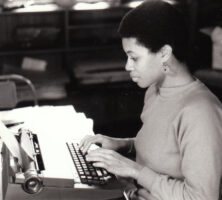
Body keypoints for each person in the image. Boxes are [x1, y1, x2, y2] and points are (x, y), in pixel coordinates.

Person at [79, 0, 222, 199]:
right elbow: (165, 150)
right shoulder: (155, 90)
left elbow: (202, 197)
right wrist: (123, 144)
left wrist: (135, 171)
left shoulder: (201, 112)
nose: (127, 66)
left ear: (164, 53)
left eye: (134, 57)